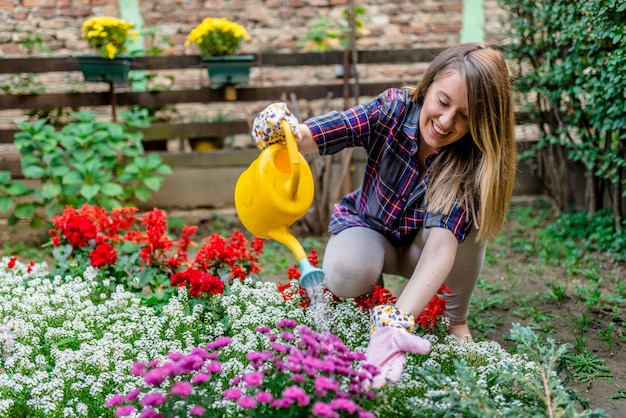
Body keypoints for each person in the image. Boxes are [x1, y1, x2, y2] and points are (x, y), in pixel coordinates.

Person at [251, 43, 517, 388]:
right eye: (443, 102)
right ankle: (371, 297)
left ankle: (456, 321)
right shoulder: (393, 108)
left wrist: (394, 327)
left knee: (468, 238)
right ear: (429, 84)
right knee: (345, 272)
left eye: (466, 116)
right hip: (370, 229)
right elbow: (335, 128)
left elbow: (439, 250)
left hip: (424, 250)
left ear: (482, 122)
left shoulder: (471, 161)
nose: (446, 121)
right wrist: (287, 133)